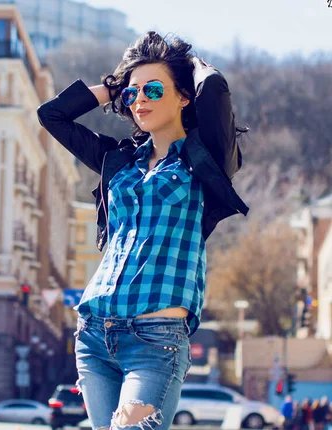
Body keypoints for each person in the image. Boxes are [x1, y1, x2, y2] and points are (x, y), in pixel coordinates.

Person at [37, 31, 248, 430]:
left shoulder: (203, 158)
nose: (140, 100)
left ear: (185, 96)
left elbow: (215, 88)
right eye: (133, 95)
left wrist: (189, 67)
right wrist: (116, 84)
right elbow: (52, 115)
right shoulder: (117, 160)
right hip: (96, 333)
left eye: (152, 89)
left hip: (156, 339)